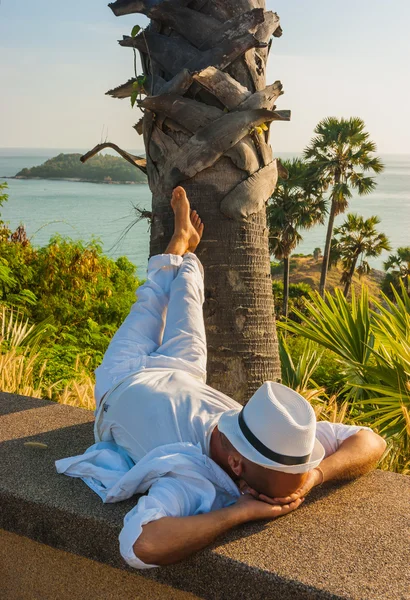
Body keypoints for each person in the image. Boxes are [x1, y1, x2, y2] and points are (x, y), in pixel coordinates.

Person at [56, 186, 386, 569]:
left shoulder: (192, 478)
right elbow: (371, 440)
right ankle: (186, 246)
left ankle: (178, 242)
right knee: (187, 293)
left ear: (237, 470)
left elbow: (140, 546)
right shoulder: (275, 430)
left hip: (120, 382)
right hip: (185, 372)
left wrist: (240, 513)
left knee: (150, 300)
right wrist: (313, 476)